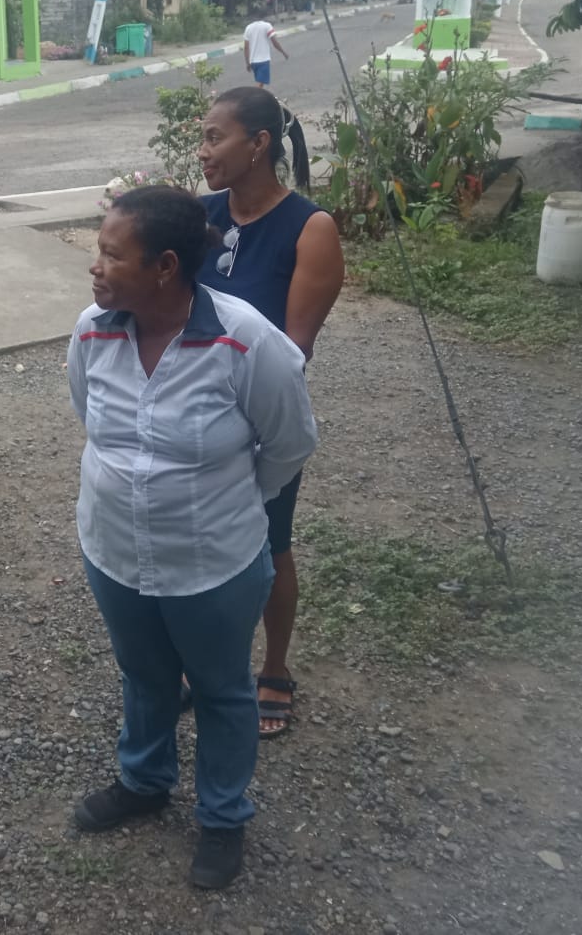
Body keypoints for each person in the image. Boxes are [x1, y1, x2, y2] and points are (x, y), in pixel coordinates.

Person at [68, 185, 318, 890]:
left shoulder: (246, 339)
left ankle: (222, 815)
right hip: (115, 551)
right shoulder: (92, 330)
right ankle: (144, 782)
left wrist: (223, 503)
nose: (95, 266)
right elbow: (89, 415)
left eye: (111, 254)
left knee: (220, 688)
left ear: (165, 267)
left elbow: (289, 443)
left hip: (213, 563)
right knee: (144, 674)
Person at [196, 85, 346, 738]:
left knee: (268, 542)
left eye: (215, 137)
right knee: (198, 541)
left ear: (259, 144)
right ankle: (203, 660)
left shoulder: (310, 229)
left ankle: (275, 666)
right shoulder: (199, 216)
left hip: (259, 419)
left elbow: (293, 350)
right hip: (193, 417)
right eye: (202, 137)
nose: (203, 152)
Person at [242, 13, 289, 88]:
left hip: (253, 62)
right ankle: (253, 95)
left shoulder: (248, 28)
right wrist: (283, 52)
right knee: (260, 84)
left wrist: (247, 63)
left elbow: (246, 47)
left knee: (260, 82)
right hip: (263, 60)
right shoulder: (267, 26)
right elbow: (274, 42)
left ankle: (258, 95)